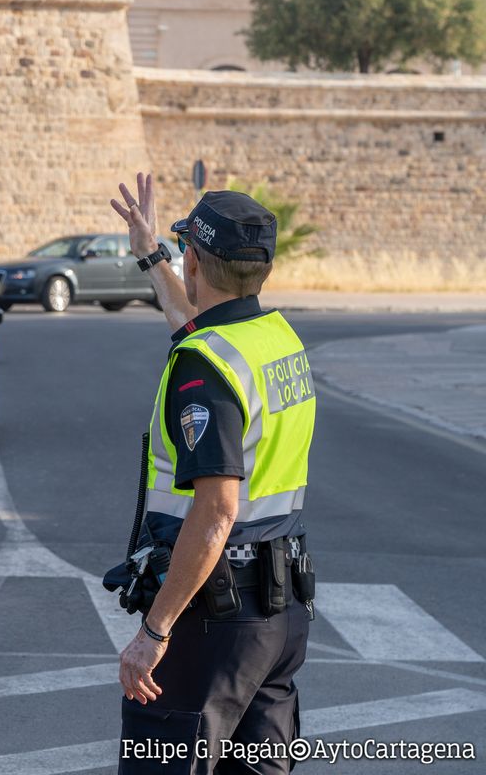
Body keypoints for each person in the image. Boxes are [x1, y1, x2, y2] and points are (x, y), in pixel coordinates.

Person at [108, 174, 316, 775]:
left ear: (194, 259)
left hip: (213, 621)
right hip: (277, 618)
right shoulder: (273, 339)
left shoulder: (203, 366)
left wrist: (156, 629)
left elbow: (216, 510)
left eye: (182, 256)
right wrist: (151, 253)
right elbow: (192, 317)